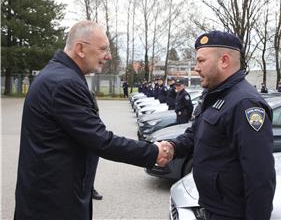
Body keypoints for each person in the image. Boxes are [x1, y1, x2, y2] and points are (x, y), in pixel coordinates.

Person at [14, 20, 173, 219]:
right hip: (54, 204)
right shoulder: (63, 84)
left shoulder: (59, 75)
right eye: (103, 49)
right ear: (80, 48)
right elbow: (101, 140)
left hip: (50, 195)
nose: (108, 56)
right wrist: (153, 151)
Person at [165, 31, 276, 219]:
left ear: (224, 61)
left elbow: (260, 178)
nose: (196, 68)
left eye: (201, 61)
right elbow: (195, 135)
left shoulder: (245, 103)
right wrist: (171, 147)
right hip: (213, 208)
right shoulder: (215, 95)